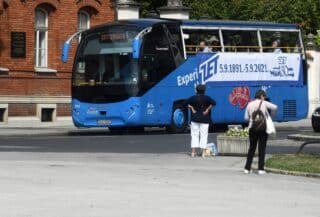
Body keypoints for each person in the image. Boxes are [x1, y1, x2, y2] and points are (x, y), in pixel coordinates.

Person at [244, 89, 277, 174]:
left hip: (252, 128)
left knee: (251, 148)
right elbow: (275, 107)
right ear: (262, 96)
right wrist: (270, 116)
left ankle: (247, 168)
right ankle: (261, 169)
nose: (265, 98)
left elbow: (246, 118)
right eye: (264, 96)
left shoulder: (249, 104)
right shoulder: (264, 103)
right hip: (262, 128)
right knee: (262, 148)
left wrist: (252, 119)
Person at [185, 84, 216, 157]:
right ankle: (203, 153)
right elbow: (214, 103)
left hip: (194, 119)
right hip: (205, 119)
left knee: (194, 135)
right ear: (204, 90)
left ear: (196, 90)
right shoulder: (207, 98)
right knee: (204, 136)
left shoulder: (193, 98)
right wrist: (207, 109)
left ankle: (193, 153)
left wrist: (192, 108)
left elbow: (185, 103)